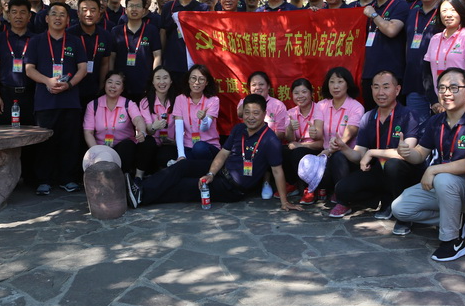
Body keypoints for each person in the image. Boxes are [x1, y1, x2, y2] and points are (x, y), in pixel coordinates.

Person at [127, 94, 302, 211]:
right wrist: (210, 173)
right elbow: (223, 154)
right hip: (221, 171)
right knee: (183, 166)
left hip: (232, 188)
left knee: (185, 186)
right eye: (247, 112)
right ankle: (140, 189)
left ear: (264, 114)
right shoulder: (239, 129)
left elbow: (277, 171)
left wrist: (284, 201)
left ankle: (142, 196)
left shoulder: (270, 139)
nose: (250, 117)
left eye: (256, 113)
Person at [391, 68, 465, 259]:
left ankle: (452, 241)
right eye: (442, 88)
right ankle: (455, 218)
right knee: (400, 209)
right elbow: (420, 154)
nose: (446, 93)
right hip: (443, 186)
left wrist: (433, 170)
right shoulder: (436, 121)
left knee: (443, 179)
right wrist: (407, 153)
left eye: (454, 88)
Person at [328, 71, 422, 222]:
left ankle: (399, 207)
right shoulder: (368, 117)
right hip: (378, 171)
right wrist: (343, 147)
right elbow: (359, 155)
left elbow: (406, 153)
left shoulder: (409, 114)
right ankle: (383, 198)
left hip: (402, 172)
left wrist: (372, 152)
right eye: (376, 87)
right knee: (342, 189)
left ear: (397, 90)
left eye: (386, 87)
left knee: (393, 165)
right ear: (371, 89)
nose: (380, 92)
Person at [25, 2, 88, 195]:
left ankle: (68, 179)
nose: (58, 18)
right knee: (45, 142)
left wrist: (69, 85)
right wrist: (48, 81)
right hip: (45, 101)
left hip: (70, 100)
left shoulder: (75, 41)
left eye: (62, 14)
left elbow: (83, 68)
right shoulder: (36, 41)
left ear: (68, 19)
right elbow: (29, 69)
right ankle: (44, 180)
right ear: (46, 18)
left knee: (69, 141)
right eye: (54, 14)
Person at [0, 0, 37, 184]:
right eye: (14, 12)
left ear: (29, 16)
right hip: (6, 93)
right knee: (6, 136)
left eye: (23, 12)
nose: (18, 16)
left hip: (30, 93)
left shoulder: (36, 39)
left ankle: (30, 176)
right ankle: (6, 178)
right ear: (7, 15)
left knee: (31, 135)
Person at [306, 67, 365, 204]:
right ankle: (314, 189)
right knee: (301, 153)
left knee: (338, 156)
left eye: (340, 81)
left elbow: (346, 137)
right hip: (326, 154)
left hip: (347, 156)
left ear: (348, 84)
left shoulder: (356, 107)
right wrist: (314, 133)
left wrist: (329, 151)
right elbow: (318, 133)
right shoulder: (321, 105)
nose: (335, 86)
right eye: (332, 82)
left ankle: (342, 195)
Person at [235, 71, 289, 199]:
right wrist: (250, 100)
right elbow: (239, 114)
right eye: (254, 85)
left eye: (261, 84)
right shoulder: (244, 102)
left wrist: (265, 139)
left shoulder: (278, 105)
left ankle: (266, 182)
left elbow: (281, 133)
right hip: (246, 142)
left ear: (268, 86)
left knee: (266, 148)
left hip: (268, 143)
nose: (257, 87)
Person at [361, 0, 409, 110]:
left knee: (393, 116)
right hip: (369, 74)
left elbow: (391, 30)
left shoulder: (400, 6)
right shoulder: (368, 8)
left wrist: (374, 15)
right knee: (371, 115)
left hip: (392, 74)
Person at [423, 0, 465, 111]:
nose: (448, 14)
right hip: (439, 103)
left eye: (453, 10)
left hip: (462, 102)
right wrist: (434, 101)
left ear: (461, 12)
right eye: (444, 11)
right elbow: (426, 73)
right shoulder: (435, 39)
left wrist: (453, 95)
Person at [83, 72, 146, 176]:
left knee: (127, 145)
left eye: (117, 83)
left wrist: (142, 131)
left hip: (123, 149)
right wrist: (96, 151)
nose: (113, 86)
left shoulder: (128, 104)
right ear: (104, 84)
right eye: (110, 82)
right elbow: (88, 132)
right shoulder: (93, 105)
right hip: (101, 148)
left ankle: (123, 177)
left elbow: (138, 119)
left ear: (122, 88)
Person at [402, 0, 443, 125]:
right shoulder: (412, 13)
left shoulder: (446, 12)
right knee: (416, 129)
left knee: (441, 129)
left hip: (439, 84)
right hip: (414, 82)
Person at [110, 0, 161, 103]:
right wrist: (110, 78)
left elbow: (157, 55)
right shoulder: (116, 31)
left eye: (138, 6)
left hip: (144, 82)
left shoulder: (151, 30)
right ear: (125, 10)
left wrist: (155, 78)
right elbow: (112, 57)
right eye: (131, 6)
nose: (134, 9)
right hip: (120, 84)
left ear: (144, 10)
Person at [160, 0, 208, 85]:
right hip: (172, 59)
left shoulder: (202, 8)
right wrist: (162, 55)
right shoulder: (168, 7)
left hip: (194, 60)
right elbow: (163, 32)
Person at [67, 0, 114, 108]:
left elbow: (105, 63)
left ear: (99, 13)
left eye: (93, 10)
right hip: (71, 89)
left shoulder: (105, 35)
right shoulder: (69, 34)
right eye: (84, 10)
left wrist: (102, 87)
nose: (89, 14)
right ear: (78, 13)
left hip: (94, 89)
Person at [283, 78, 323, 196]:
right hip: (298, 146)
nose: (300, 96)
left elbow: (322, 143)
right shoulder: (291, 113)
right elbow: (290, 140)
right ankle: (292, 184)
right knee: (280, 150)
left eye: (304, 92)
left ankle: (309, 189)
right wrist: (290, 128)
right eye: (296, 93)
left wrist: (300, 145)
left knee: (298, 152)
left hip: (316, 149)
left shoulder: (320, 110)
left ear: (312, 93)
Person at [136, 66, 179, 175]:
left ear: (171, 81)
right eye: (158, 78)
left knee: (165, 156)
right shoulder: (145, 102)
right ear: (153, 82)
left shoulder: (178, 100)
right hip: (152, 142)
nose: (162, 82)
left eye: (165, 78)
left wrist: (175, 142)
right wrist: (154, 127)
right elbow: (148, 130)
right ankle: (138, 177)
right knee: (147, 143)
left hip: (170, 144)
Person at [173, 64, 221, 161]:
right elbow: (179, 129)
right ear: (188, 80)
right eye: (193, 78)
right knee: (182, 164)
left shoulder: (213, 100)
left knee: (199, 148)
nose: (196, 82)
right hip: (188, 146)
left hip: (208, 146)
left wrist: (204, 119)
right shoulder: (180, 99)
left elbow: (205, 128)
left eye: (201, 79)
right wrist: (181, 155)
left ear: (207, 82)